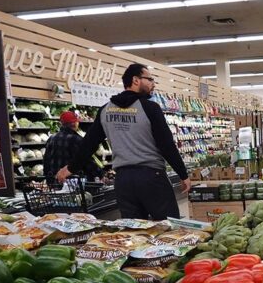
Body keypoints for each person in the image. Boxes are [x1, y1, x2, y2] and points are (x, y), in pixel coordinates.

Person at [57, 63, 191, 220]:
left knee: (134, 231)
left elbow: (89, 143)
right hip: (152, 178)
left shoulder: (106, 110)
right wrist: (183, 174)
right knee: (169, 226)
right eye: (150, 79)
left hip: (123, 181)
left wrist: (70, 168)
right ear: (136, 80)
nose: (153, 84)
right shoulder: (150, 108)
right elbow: (166, 145)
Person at [44, 111, 102, 182]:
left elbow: (46, 161)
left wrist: (48, 179)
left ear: (62, 123)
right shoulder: (77, 139)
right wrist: (100, 173)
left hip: (56, 181)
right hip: (74, 182)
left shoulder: (51, 138)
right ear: (75, 123)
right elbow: (86, 161)